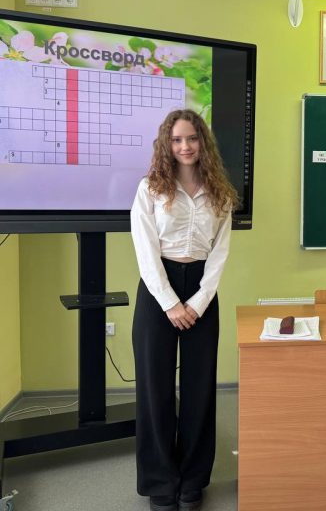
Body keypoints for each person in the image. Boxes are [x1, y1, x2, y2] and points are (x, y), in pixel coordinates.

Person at [130, 109, 238, 511]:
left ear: (202, 142)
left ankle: (193, 479)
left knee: (199, 388)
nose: (185, 146)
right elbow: (145, 251)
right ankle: (161, 482)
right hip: (158, 290)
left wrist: (198, 301)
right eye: (176, 140)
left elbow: (220, 253)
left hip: (202, 292)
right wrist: (171, 303)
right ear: (167, 144)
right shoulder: (150, 188)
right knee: (154, 389)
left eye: (192, 138)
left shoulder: (220, 192)